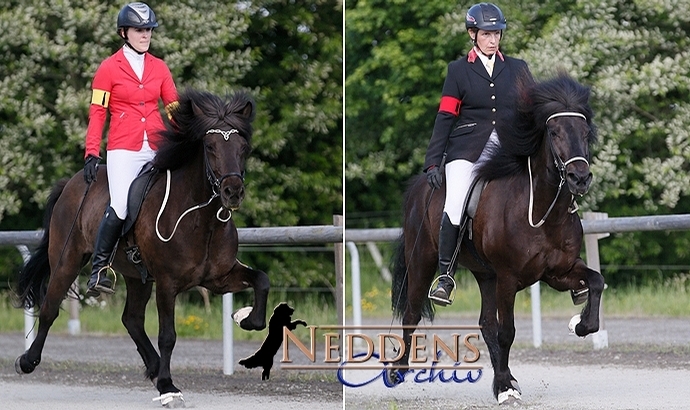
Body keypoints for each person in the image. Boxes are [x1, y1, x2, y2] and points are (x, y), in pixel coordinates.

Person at [424, 3, 532, 306]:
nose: (493, 39)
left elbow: (531, 111)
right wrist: (433, 160)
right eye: (487, 34)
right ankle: (445, 275)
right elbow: (445, 116)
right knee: (455, 200)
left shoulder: (518, 68)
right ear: (473, 34)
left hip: (509, 149)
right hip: (468, 149)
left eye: (497, 33)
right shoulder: (458, 71)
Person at [83, 2, 178, 297]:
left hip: (156, 144)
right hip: (124, 147)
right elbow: (98, 112)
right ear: (124, 32)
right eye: (140, 29)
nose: (145, 35)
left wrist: (186, 139)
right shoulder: (108, 68)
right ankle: (98, 269)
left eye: (149, 30)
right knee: (122, 204)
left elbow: (173, 108)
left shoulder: (160, 67)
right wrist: (91, 151)